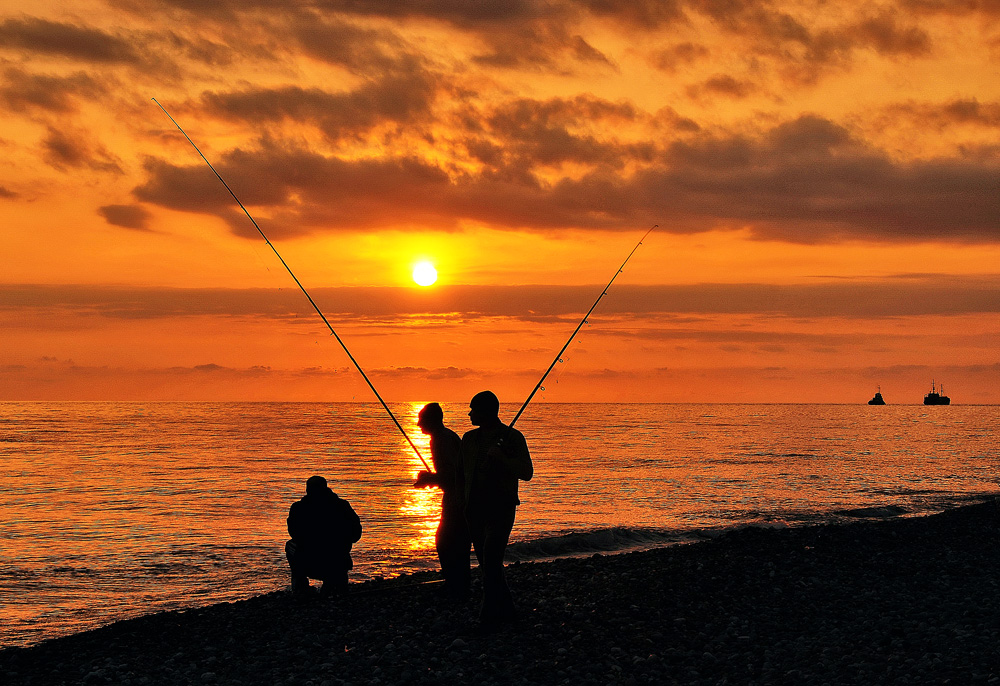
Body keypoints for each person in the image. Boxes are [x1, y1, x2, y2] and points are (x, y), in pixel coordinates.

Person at [459, 390, 533, 628]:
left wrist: (501, 458)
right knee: (487, 564)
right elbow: (460, 475)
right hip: (473, 509)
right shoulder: (468, 439)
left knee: (491, 559)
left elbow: (527, 472)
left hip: (501, 507)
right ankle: (508, 612)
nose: (469, 413)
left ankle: (487, 616)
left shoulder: (512, 437)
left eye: (473, 408)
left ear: (486, 411)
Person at [414, 402, 472, 599]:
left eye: (421, 420)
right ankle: (459, 584)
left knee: (446, 541)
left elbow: (453, 475)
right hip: (457, 496)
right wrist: (432, 478)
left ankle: (456, 585)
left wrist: (429, 479)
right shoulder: (443, 437)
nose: (418, 424)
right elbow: (450, 473)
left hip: (458, 499)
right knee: (456, 541)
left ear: (431, 420)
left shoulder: (442, 440)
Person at [285, 475, 362, 598]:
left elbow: (294, 533)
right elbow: (356, 534)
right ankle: (334, 582)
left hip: (310, 562)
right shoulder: (342, 505)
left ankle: (301, 587)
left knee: (290, 545)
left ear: (307, 490)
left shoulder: (298, 508)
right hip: (339, 562)